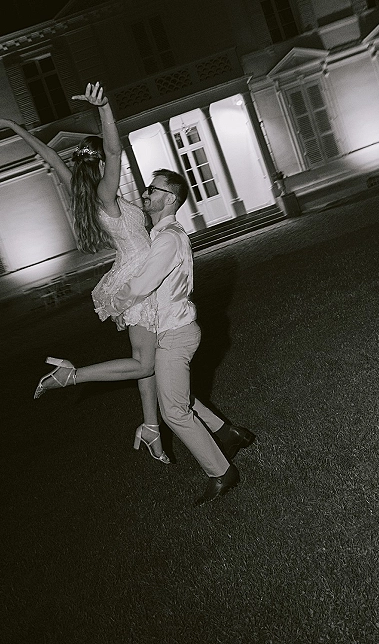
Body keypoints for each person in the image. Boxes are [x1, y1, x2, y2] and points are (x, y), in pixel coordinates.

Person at [0, 82, 169, 464]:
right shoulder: (103, 193)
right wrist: (103, 108)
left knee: (143, 358)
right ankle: (71, 375)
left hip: (135, 273)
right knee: (146, 362)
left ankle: (150, 427)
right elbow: (114, 148)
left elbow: (50, 157)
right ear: (100, 163)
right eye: (107, 161)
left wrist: (12, 126)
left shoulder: (84, 192)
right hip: (139, 278)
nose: (111, 164)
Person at [49, 168, 257, 505]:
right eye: (146, 188)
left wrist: (116, 304)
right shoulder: (163, 234)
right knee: (174, 396)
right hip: (170, 331)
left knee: (173, 411)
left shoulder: (168, 238)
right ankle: (226, 432)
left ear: (170, 198)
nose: (145, 194)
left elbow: (143, 282)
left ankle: (221, 472)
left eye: (153, 189)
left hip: (175, 334)